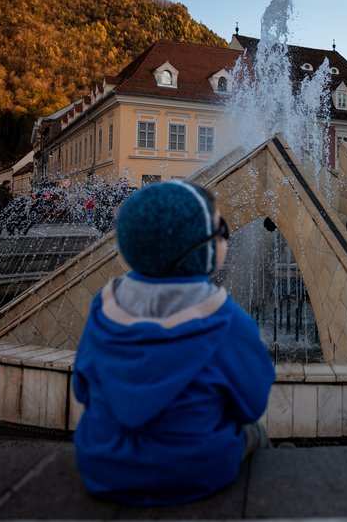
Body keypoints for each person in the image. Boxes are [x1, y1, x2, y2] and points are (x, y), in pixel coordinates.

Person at [73, 180, 275, 506]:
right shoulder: (225, 320)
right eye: (221, 228)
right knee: (256, 432)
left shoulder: (104, 307)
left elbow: (82, 388)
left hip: (102, 467)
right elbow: (251, 403)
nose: (227, 236)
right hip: (195, 472)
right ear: (201, 248)